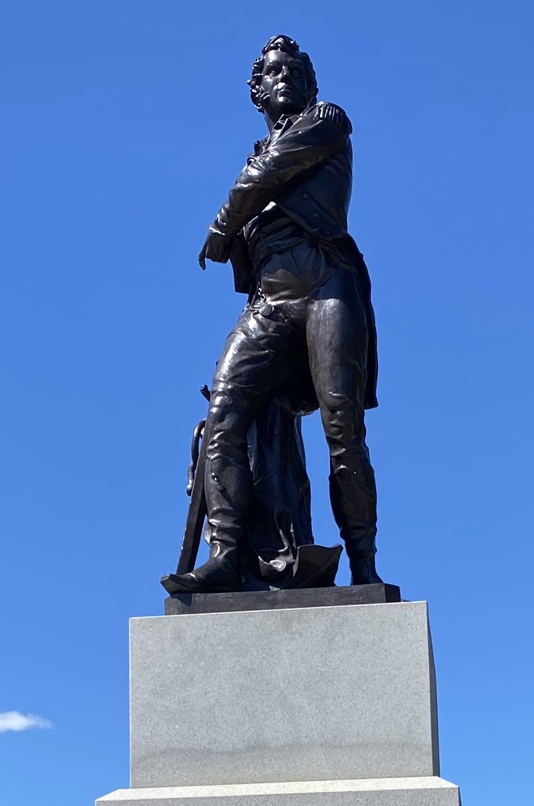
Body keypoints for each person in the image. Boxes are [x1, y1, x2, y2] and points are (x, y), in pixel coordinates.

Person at [163, 35, 382, 595]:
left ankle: (364, 566)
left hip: (325, 284)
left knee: (342, 428)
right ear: (257, 91)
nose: (285, 78)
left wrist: (222, 225)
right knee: (224, 412)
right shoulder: (254, 154)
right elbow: (257, 181)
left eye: (294, 71)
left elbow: (267, 175)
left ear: (310, 83)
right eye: (274, 73)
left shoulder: (326, 121)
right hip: (269, 300)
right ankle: (226, 554)